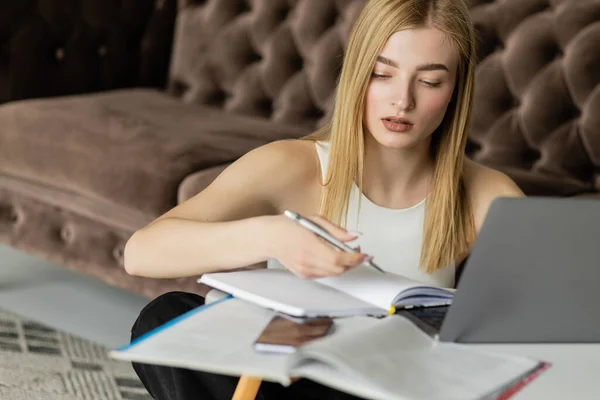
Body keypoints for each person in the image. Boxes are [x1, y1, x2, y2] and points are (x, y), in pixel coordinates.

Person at [125, 0, 524, 398]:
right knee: (166, 317)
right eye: (382, 74)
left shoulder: (487, 194)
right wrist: (272, 236)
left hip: (393, 386)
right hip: (291, 379)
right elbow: (141, 252)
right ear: (356, 74)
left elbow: (555, 321)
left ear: (456, 91)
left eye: (431, 82)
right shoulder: (292, 165)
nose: (403, 100)